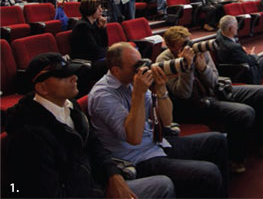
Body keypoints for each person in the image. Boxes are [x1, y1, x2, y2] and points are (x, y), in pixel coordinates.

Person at [5, 53, 175, 198]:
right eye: (64, 76)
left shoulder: (70, 106)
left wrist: (113, 175)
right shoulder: (29, 135)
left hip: (95, 183)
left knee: (163, 185)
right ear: (42, 87)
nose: (74, 77)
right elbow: (49, 191)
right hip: (85, 192)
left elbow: (95, 146)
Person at [88, 42, 229, 198]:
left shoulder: (134, 82)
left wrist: (161, 88)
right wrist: (139, 95)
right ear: (116, 70)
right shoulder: (102, 95)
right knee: (209, 173)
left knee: (217, 141)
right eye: (136, 66)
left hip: (156, 143)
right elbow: (134, 138)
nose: (142, 69)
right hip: (136, 158)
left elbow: (167, 120)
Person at [157, 26, 263, 173]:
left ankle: (260, 143)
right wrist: (186, 68)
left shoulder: (199, 50)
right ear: (170, 47)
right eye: (181, 46)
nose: (188, 48)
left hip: (215, 92)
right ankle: (235, 159)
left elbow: (214, 81)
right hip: (193, 105)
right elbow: (183, 94)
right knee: (244, 112)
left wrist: (203, 68)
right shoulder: (164, 60)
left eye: (188, 42)